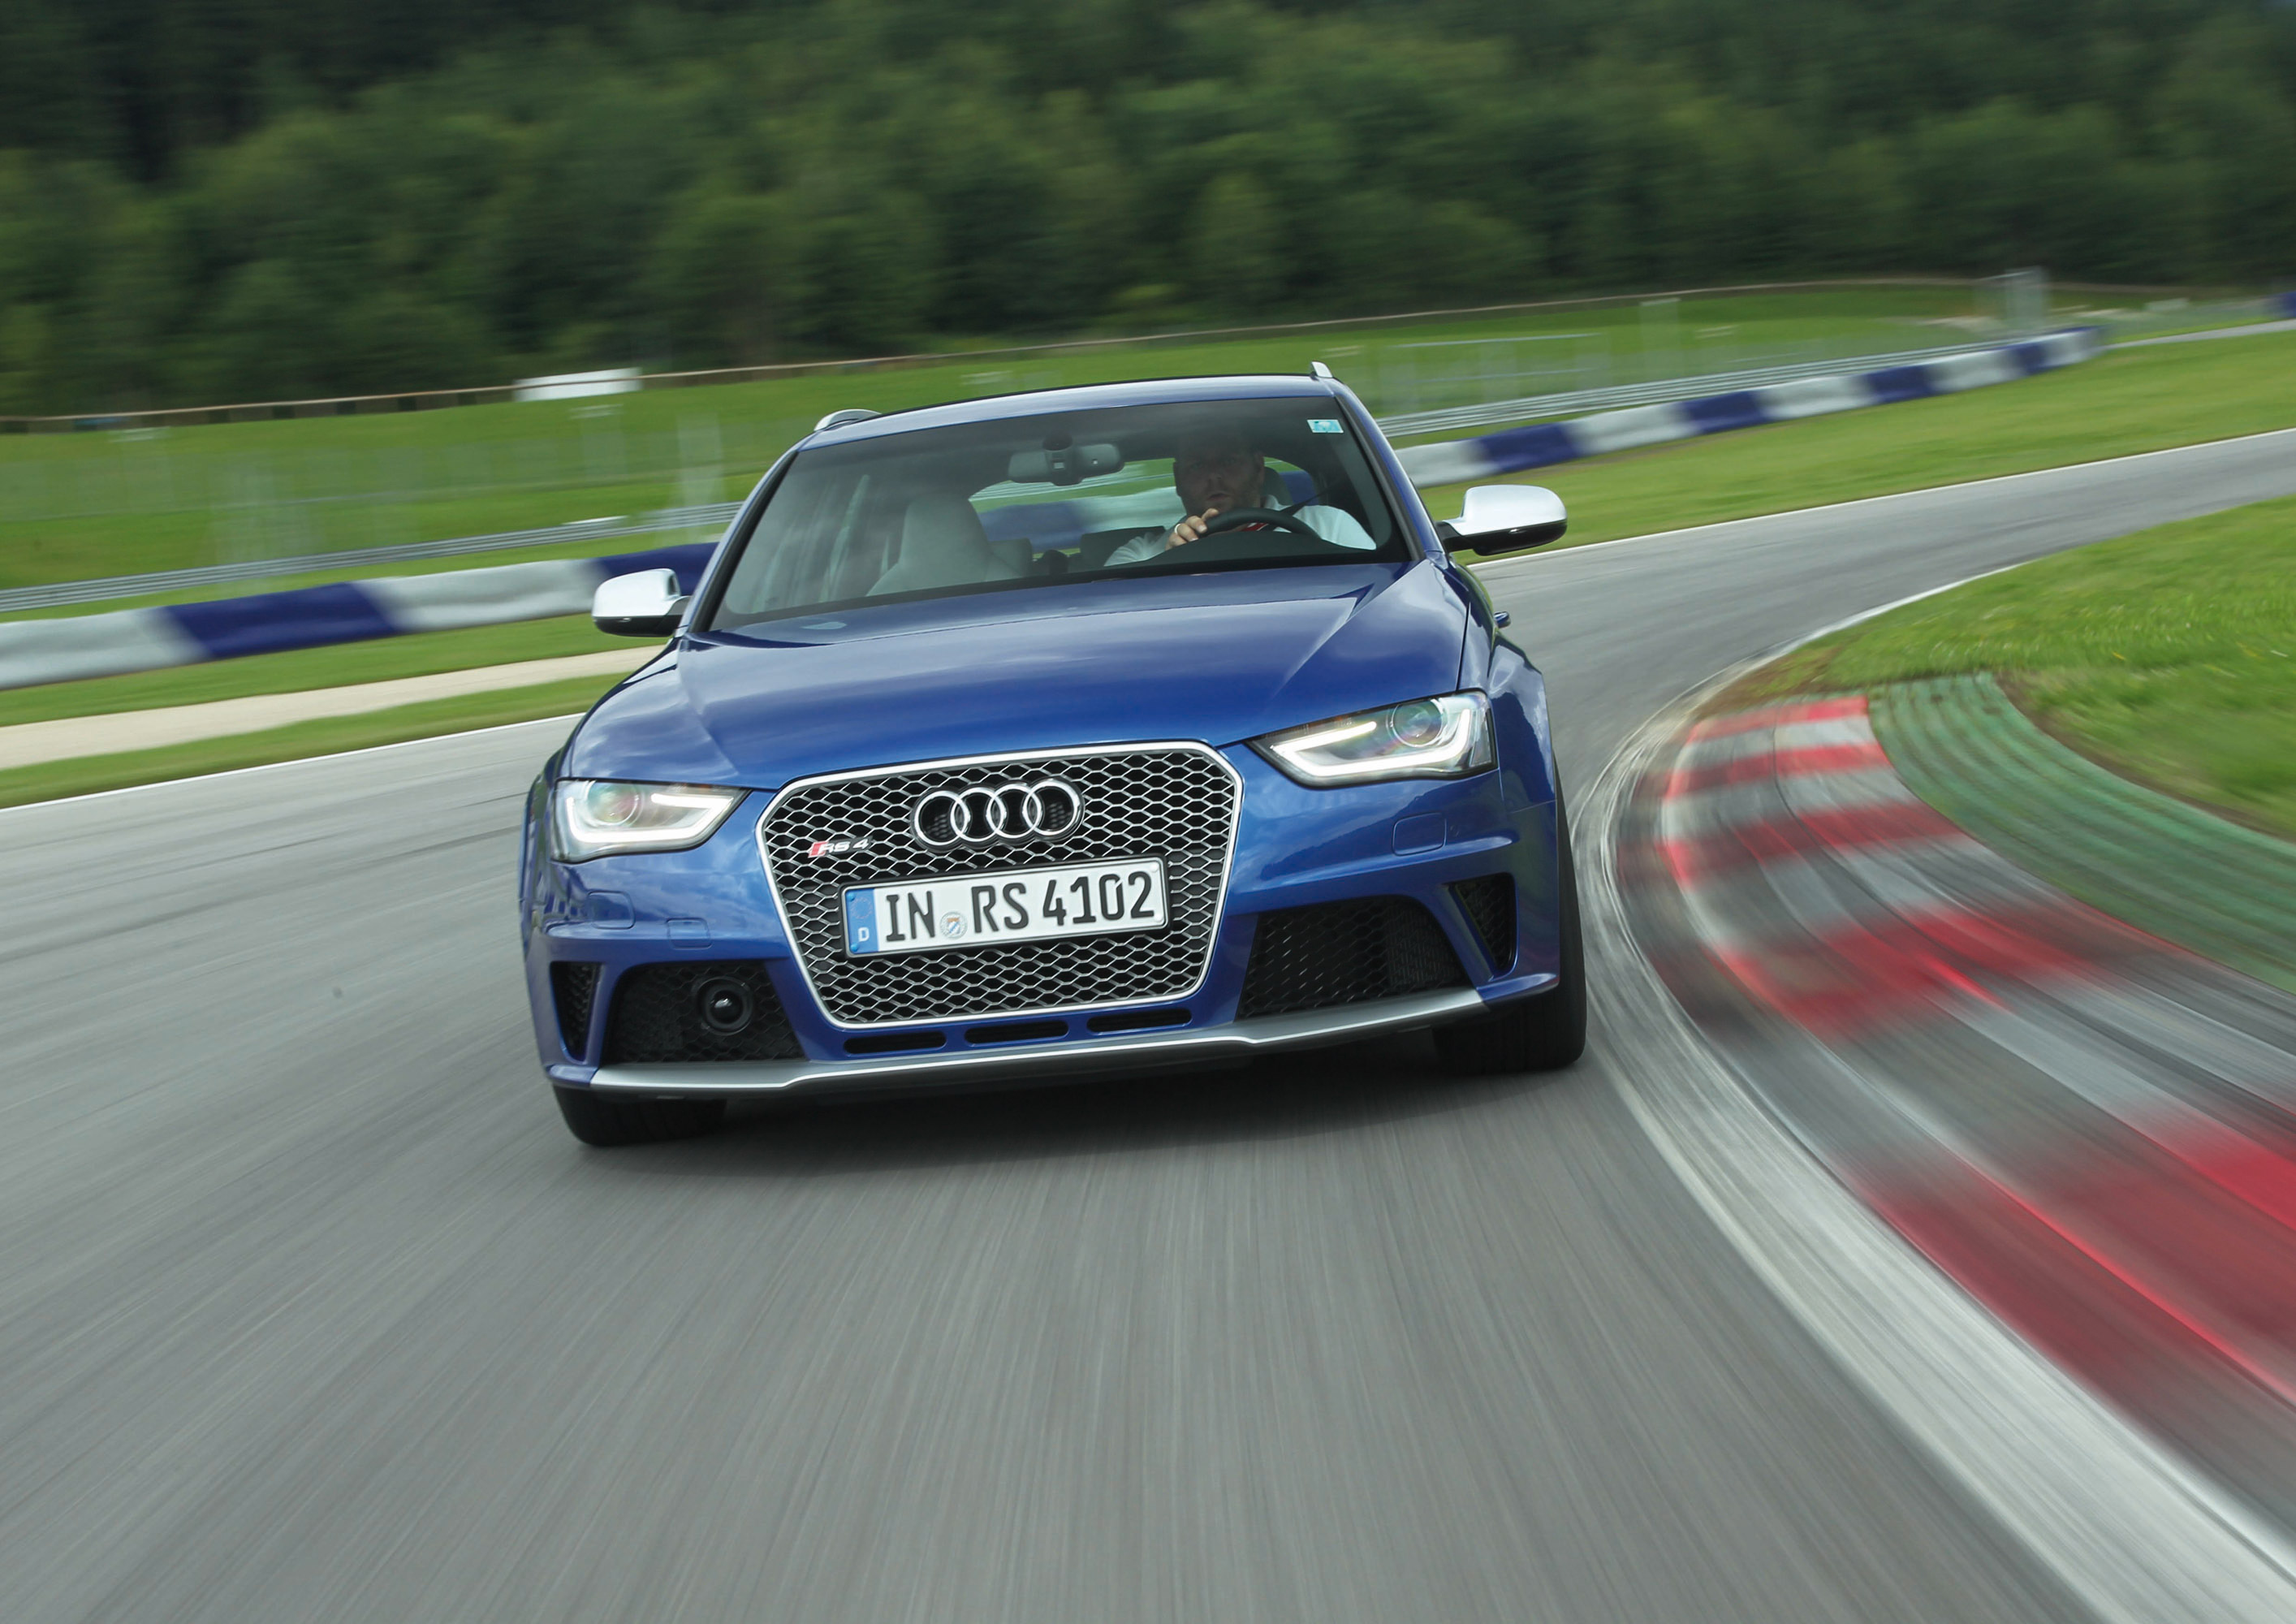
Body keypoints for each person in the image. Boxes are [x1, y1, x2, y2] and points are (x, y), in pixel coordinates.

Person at [1104, 425, 1375, 566]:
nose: (1214, 476)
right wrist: (1170, 564)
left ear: (1258, 468)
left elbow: (1376, 591)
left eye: (1228, 461)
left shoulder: (1329, 525)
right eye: (1197, 466)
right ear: (1178, 479)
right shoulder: (1141, 555)